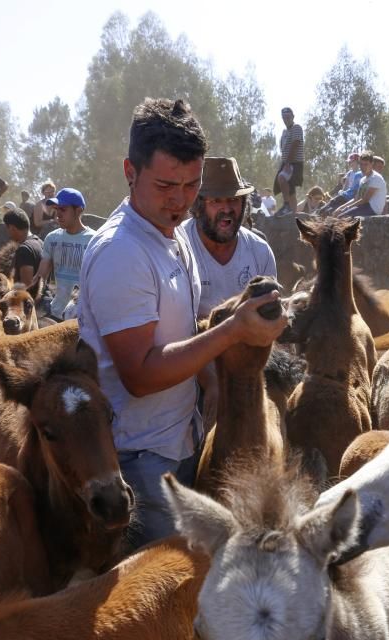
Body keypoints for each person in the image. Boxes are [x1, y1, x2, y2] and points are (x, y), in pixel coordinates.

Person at [76, 98, 286, 550]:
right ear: (130, 172)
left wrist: (210, 383)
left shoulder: (172, 237)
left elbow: (183, 330)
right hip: (142, 459)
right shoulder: (121, 253)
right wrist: (232, 332)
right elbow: (140, 374)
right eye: (166, 185)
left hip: (181, 441)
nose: (180, 200)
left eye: (192, 186)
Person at [180, 156, 277, 318]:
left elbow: (270, 316)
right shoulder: (177, 247)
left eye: (233, 200)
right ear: (198, 206)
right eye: (216, 201)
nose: (226, 208)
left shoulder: (260, 252)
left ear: (244, 205)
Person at [31, 188, 94, 319]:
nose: (58, 214)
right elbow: (40, 277)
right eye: (57, 209)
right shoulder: (52, 238)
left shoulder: (94, 240)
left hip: (84, 317)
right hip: (56, 314)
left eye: (63, 209)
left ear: (78, 211)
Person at [336, 151, 387, 218]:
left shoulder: (376, 178)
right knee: (337, 214)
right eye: (361, 164)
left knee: (342, 217)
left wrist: (347, 208)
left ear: (371, 164)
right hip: (364, 206)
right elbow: (356, 198)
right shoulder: (363, 180)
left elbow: (365, 199)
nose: (363, 167)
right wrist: (340, 208)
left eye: (366, 164)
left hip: (372, 209)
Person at [273, 107, 304, 215]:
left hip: (294, 162)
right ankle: (293, 215)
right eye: (284, 117)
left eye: (288, 117)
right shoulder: (284, 132)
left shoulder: (296, 128)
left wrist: (288, 163)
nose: (286, 119)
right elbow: (283, 148)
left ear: (293, 117)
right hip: (287, 161)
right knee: (290, 190)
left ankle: (287, 205)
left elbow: (295, 144)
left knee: (282, 178)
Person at [3, 208, 42, 284]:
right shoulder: (40, 242)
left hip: (32, 296)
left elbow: (26, 286)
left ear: (12, 228)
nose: (7, 233)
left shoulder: (24, 250)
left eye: (7, 229)